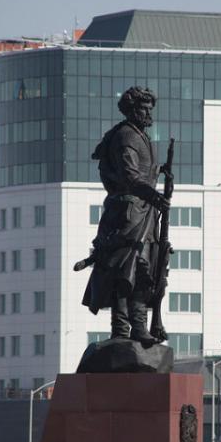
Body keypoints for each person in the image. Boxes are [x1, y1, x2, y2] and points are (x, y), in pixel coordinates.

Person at [79, 86, 170, 346]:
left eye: (150, 109)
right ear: (131, 110)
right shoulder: (126, 136)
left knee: (144, 269)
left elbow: (142, 171)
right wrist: (154, 195)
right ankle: (121, 328)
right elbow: (130, 176)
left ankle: (139, 327)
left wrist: (160, 170)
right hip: (128, 214)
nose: (148, 114)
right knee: (123, 269)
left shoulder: (140, 135)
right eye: (144, 109)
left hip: (144, 212)